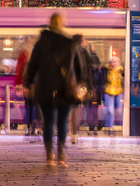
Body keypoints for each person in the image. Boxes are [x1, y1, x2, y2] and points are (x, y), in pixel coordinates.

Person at [23, 13, 90, 166]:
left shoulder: (40, 44)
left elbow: (32, 66)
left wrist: (28, 84)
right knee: (62, 122)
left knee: (48, 121)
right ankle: (60, 154)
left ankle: (49, 156)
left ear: (50, 24)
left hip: (45, 88)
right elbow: (80, 68)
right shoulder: (70, 43)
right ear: (62, 24)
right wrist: (84, 84)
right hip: (66, 89)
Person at [67, 35, 93, 144]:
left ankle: (67, 132)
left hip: (67, 84)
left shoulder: (66, 51)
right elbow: (86, 70)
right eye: (84, 40)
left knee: (67, 110)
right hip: (78, 85)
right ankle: (74, 134)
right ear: (80, 42)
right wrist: (88, 86)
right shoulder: (83, 53)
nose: (86, 41)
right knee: (75, 110)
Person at [14, 37, 37, 135]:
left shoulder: (24, 53)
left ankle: (30, 127)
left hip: (28, 83)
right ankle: (33, 127)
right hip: (34, 84)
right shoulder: (34, 52)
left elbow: (19, 69)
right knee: (33, 106)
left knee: (29, 106)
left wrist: (19, 83)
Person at [101, 54, 123, 135]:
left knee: (120, 111)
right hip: (109, 92)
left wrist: (124, 88)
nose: (113, 63)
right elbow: (102, 80)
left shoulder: (122, 71)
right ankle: (110, 127)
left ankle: (120, 126)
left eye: (115, 61)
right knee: (110, 111)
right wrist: (103, 88)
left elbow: (125, 80)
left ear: (118, 63)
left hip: (118, 92)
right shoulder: (105, 70)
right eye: (111, 62)